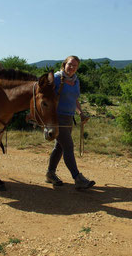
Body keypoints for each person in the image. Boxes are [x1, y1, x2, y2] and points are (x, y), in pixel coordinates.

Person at [45, 55, 95, 190]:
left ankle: (50, 173)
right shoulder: (55, 78)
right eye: (70, 64)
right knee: (68, 146)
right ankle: (77, 178)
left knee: (60, 147)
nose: (72, 67)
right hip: (57, 118)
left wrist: (81, 114)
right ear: (64, 64)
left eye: (75, 66)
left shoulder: (76, 81)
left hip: (68, 117)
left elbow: (75, 100)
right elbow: (43, 96)